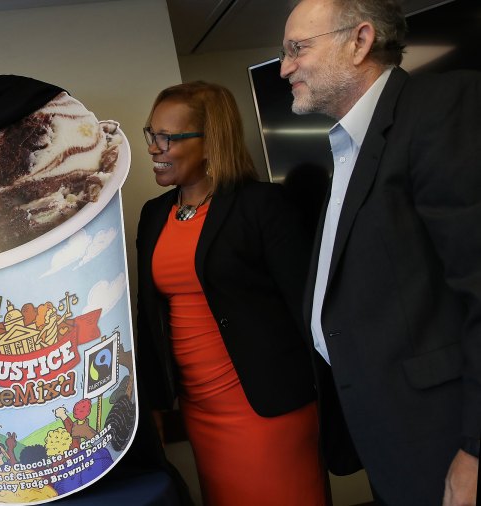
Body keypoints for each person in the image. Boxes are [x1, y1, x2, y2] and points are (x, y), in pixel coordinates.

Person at [280, 0, 481, 504]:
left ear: (360, 41)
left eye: (296, 48)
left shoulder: (441, 107)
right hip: (392, 437)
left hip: (449, 440)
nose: (285, 67)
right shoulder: (349, 148)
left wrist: (476, 449)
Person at [135, 81, 326, 505]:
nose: (153, 147)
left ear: (210, 143)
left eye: (168, 137)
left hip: (267, 406)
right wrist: (155, 404)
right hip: (200, 411)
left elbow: (307, 308)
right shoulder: (153, 216)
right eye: (152, 134)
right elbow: (147, 316)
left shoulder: (261, 205)